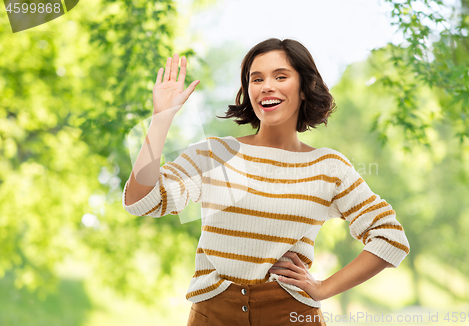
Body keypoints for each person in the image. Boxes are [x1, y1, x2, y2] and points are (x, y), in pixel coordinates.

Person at [123, 38, 410, 326]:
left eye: (280, 76)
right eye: (256, 79)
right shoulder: (213, 154)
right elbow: (142, 201)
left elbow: (389, 236)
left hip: (290, 315)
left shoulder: (328, 167)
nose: (266, 86)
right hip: (213, 315)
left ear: (304, 88)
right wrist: (161, 118)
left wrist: (324, 288)